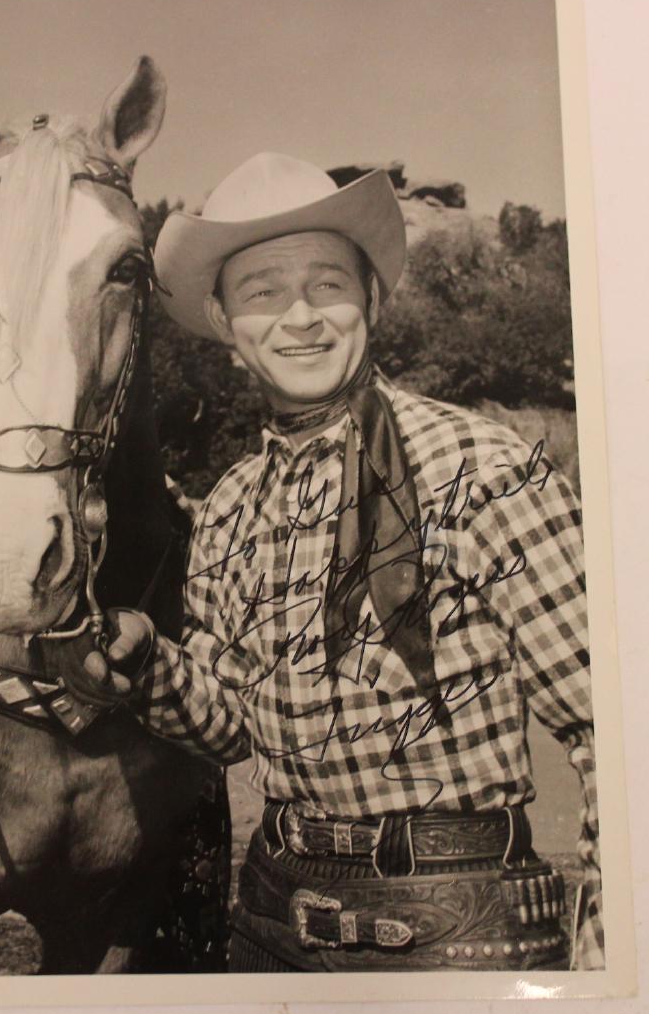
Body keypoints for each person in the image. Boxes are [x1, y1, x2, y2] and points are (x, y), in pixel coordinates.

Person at [83, 152, 602, 972]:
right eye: (261, 293)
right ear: (223, 323)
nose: (300, 318)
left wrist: (612, 953)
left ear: (371, 299)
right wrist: (145, 661)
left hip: (459, 930)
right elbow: (228, 727)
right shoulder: (230, 506)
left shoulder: (487, 470)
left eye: (326, 284)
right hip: (271, 921)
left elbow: (613, 727)